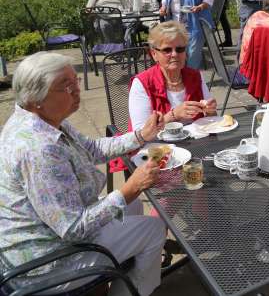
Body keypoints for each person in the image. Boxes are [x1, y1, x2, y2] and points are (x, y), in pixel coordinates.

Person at [0, 52, 166, 296]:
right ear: (36, 98)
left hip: (51, 233)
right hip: (45, 264)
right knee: (153, 228)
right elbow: (73, 229)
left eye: (75, 81)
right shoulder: (38, 149)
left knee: (132, 209)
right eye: (65, 87)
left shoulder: (44, 120)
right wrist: (130, 188)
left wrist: (141, 135)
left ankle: (115, 280)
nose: (76, 90)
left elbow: (93, 149)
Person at [129, 21, 217, 131]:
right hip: (158, 146)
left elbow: (212, 120)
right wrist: (173, 115)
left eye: (180, 49)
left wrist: (211, 111)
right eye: (167, 50)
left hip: (197, 142)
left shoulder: (196, 76)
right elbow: (140, 133)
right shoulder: (142, 83)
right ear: (154, 54)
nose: (175, 54)